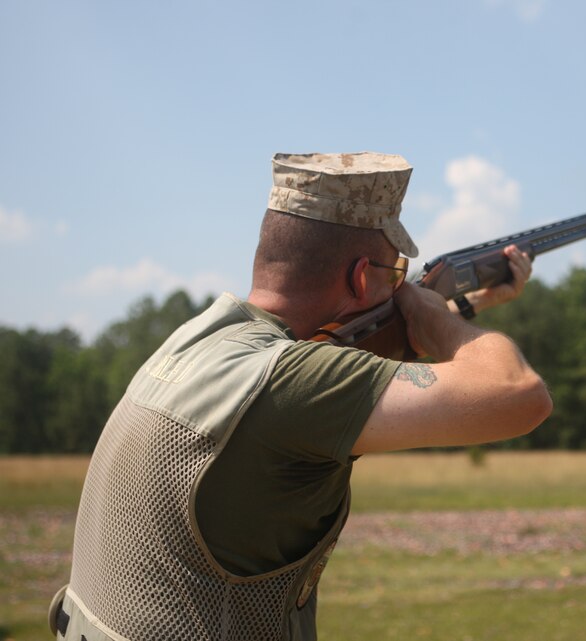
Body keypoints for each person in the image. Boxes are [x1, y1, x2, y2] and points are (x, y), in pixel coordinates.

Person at [50, 152, 552, 641]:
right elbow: (519, 395)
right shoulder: (292, 383)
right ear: (361, 276)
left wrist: (457, 304)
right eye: (395, 277)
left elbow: (342, 354)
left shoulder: (195, 345)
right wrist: (431, 313)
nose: (400, 290)